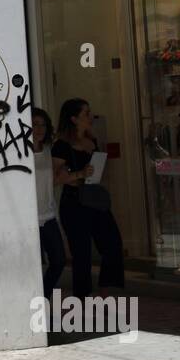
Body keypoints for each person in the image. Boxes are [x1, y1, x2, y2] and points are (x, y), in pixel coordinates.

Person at [52, 98, 125, 303]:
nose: (90, 117)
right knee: (81, 253)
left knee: (112, 244)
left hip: (94, 199)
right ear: (74, 119)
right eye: (86, 114)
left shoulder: (91, 141)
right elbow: (54, 178)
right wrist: (79, 173)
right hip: (74, 202)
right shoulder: (62, 145)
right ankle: (82, 300)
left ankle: (103, 293)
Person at [32, 108, 66, 304]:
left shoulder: (48, 150)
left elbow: (53, 180)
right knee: (34, 265)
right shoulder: (19, 152)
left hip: (49, 215)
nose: (39, 129)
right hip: (30, 219)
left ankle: (42, 299)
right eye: (35, 124)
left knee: (59, 261)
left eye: (43, 124)